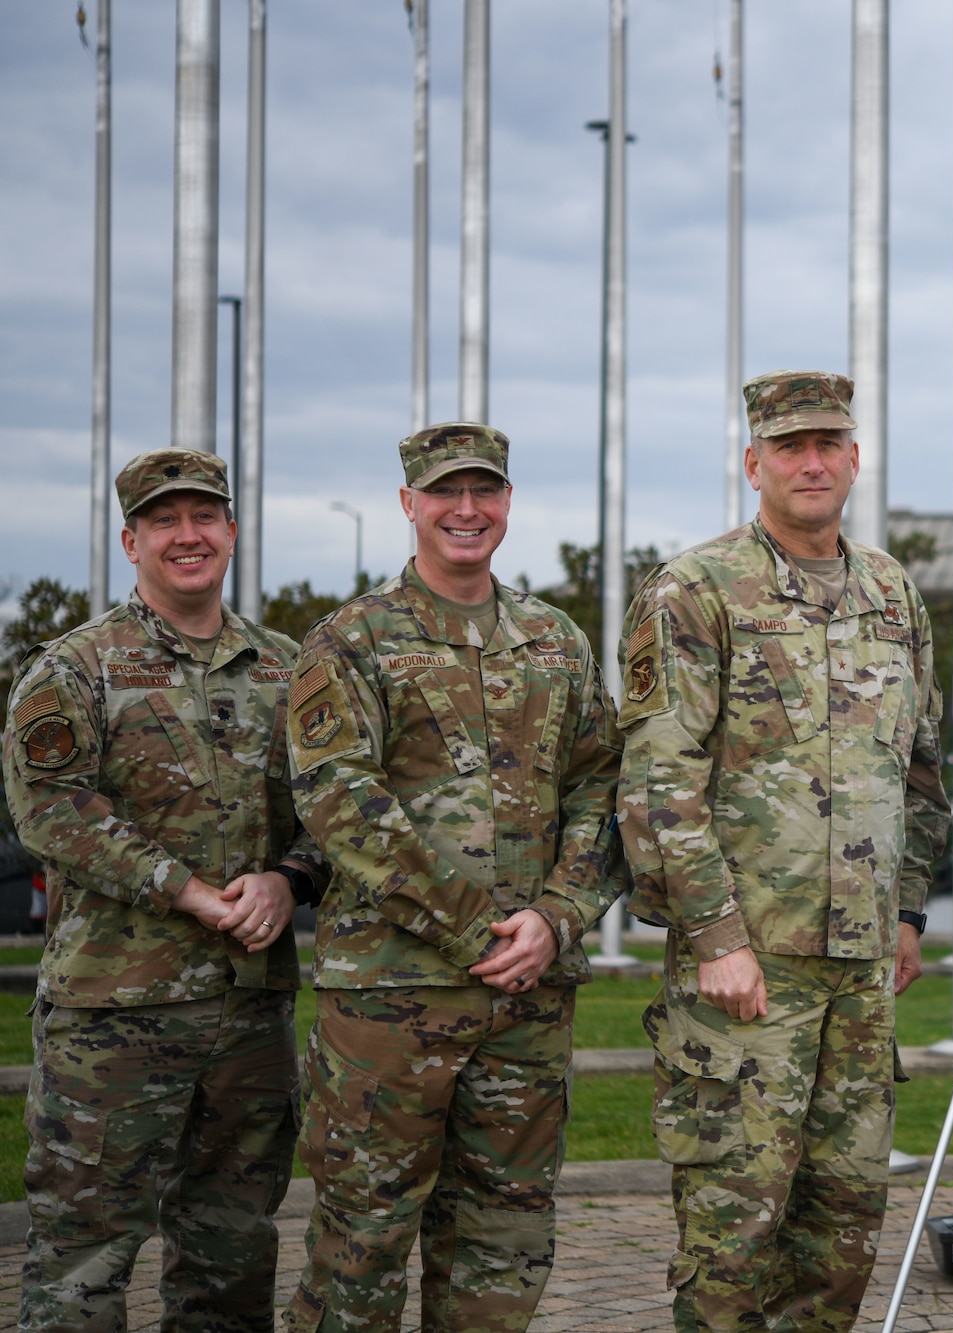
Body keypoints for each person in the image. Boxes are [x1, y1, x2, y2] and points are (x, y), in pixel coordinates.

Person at [616, 370, 950, 1332]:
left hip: (860, 974)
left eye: (828, 444)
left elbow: (920, 773)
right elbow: (657, 778)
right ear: (752, 461)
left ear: (855, 458)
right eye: (790, 447)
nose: (812, 463)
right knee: (733, 1234)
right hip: (748, 971)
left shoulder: (892, 591)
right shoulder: (695, 590)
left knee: (842, 1229)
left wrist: (909, 913)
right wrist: (714, 934)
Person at [282, 423, 625, 1333]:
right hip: (392, 1004)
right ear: (409, 504)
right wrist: (483, 931)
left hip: (526, 1002)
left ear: (508, 502)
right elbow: (341, 804)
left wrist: (558, 915)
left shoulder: (555, 641)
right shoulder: (350, 642)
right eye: (444, 493)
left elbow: (603, 788)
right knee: (361, 1244)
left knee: (504, 1243)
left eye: (485, 491)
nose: (465, 510)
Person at [3, 448, 329, 1332]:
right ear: (130, 539)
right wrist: (183, 888)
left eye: (204, 516)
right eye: (163, 521)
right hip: (113, 1019)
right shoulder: (76, 668)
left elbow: (336, 808)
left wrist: (286, 876)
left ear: (230, 530)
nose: (187, 535)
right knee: (82, 1258)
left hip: (247, 1017)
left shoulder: (290, 668)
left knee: (232, 1253)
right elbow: (51, 810)